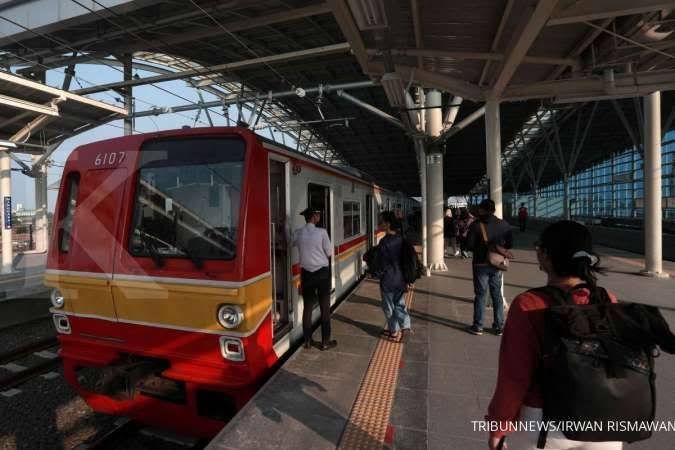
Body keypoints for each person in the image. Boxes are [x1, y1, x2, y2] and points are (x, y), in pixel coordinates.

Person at [486, 221, 619, 450]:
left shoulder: (529, 304)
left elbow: (515, 376)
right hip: (605, 419)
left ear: (546, 255)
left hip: (544, 424)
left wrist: (499, 425)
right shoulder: (608, 299)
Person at [465, 199, 513, 336]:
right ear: (494, 210)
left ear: (482, 210)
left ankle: (478, 326)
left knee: (481, 295)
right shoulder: (504, 225)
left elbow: (469, 246)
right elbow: (510, 244)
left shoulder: (476, 225)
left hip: (480, 263)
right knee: (497, 294)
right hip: (497, 264)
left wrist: (480, 248)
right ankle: (499, 326)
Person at [292, 207, 337, 351]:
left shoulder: (298, 232)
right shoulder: (322, 232)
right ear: (313, 217)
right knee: (324, 307)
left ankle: (307, 341)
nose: (319, 216)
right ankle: (325, 342)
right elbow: (329, 253)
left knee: (308, 308)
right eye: (318, 214)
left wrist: (286, 225)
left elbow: (290, 242)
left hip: (307, 273)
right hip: (322, 273)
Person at [375, 211, 412, 342]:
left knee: (389, 307)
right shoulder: (401, 238)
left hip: (388, 280)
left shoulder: (384, 242)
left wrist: (377, 274)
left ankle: (394, 331)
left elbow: (381, 264)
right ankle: (405, 326)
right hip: (400, 279)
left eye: (381, 222)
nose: (379, 224)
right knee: (399, 304)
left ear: (388, 224)